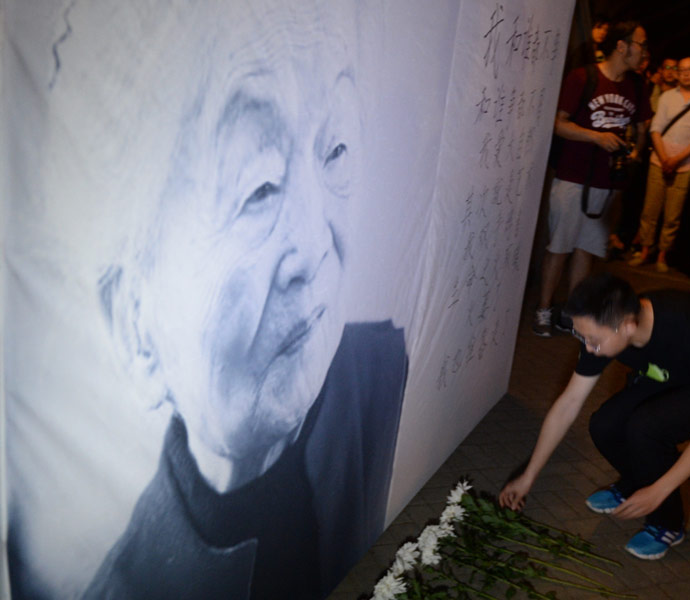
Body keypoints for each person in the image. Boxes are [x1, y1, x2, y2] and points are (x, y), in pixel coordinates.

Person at [33, 2, 411, 599]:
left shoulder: (385, 376)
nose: (315, 245)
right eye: (258, 187)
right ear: (136, 324)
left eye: (334, 148)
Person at [500, 274, 690, 560]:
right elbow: (569, 403)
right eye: (582, 337)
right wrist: (528, 475)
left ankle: (667, 524)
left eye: (593, 340)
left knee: (647, 428)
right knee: (605, 425)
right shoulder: (608, 322)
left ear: (628, 326)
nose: (588, 348)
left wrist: (658, 491)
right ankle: (634, 483)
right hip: (679, 371)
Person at [532, 22, 651, 337]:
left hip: (608, 184)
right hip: (573, 179)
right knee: (559, 247)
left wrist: (635, 152)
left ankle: (572, 313)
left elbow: (641, 127)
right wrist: (597, 138)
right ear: (622, 46)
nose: (644, 50)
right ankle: (544, 309)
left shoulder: (637, 85)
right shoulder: (583, 78)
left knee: (587, 249)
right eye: (640, 43)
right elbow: (559, 124)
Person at [630, 57, 690, 272]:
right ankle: (645, 251)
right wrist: (664, 156)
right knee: (650, 208)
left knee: (673, 214)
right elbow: (655, 128)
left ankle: (662, 255)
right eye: (682, 70)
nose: (686, 74)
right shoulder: (668, 96)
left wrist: (676, 160)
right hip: (659, 160)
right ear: (677, 73)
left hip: (684, 164)